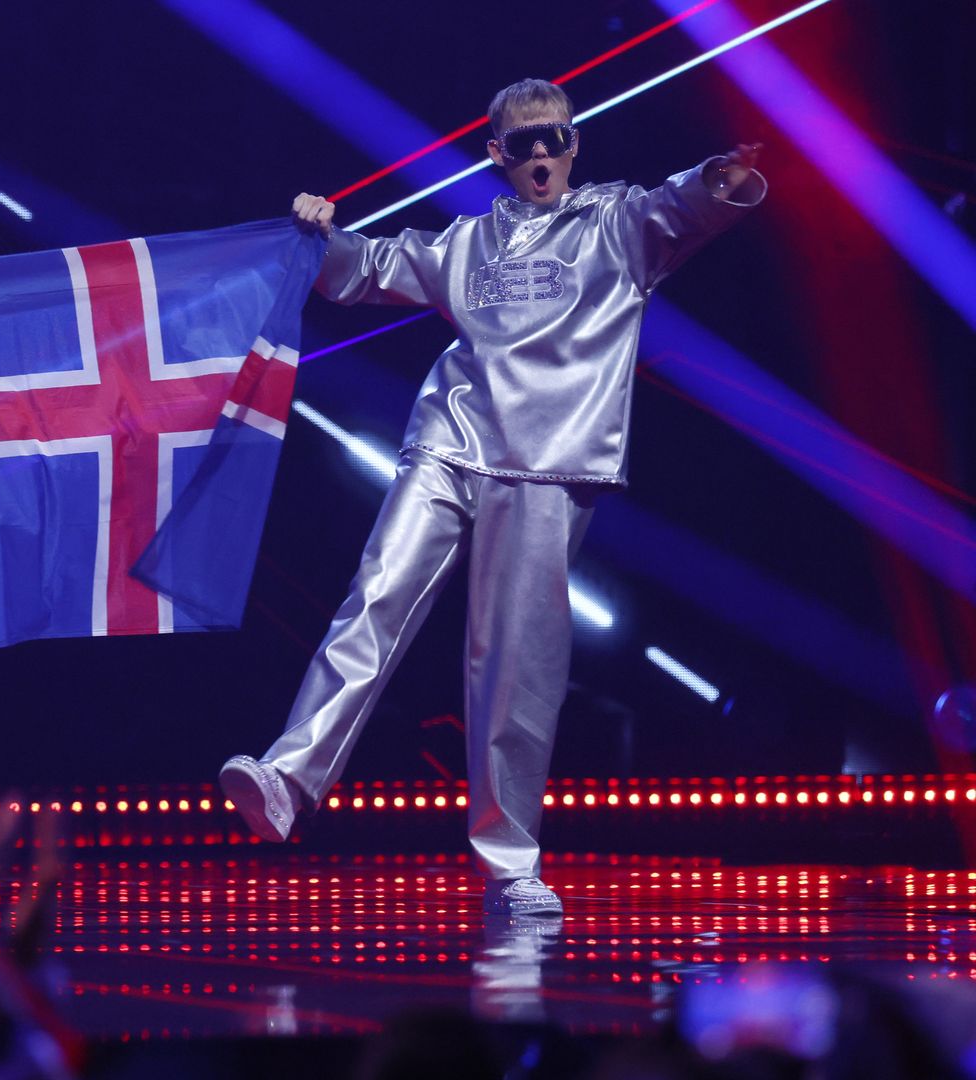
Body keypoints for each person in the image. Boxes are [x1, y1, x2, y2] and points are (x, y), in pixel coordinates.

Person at [218, 79, 765, 916]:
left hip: (551, 464)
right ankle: (288, 778)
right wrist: (315, 234)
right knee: (375, 596)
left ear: (574, 143)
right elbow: (366, 269)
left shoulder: (616, 225)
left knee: (513, 664)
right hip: (449, 443)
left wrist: (720, 179)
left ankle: (510, 861)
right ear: (497, 155)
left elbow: (683, 207)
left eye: (554, 139)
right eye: (522, 144)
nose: (541, 155)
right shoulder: (467, 242)